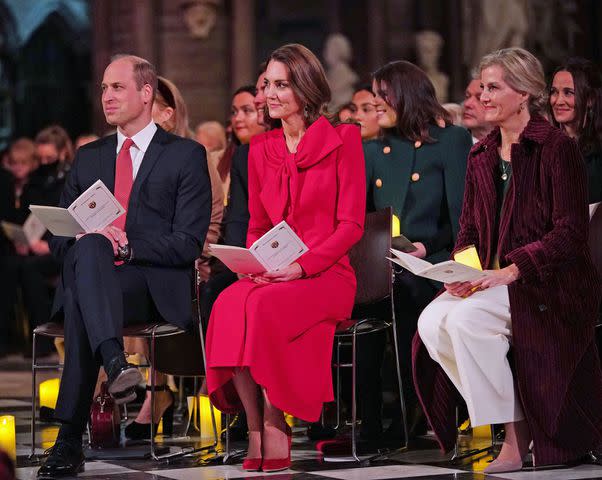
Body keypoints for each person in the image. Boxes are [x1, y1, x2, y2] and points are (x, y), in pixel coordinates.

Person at [415, 47, 602, 473]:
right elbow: (467, 232)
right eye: (481, 87)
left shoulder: (556, 149)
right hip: (492, 282)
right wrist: (459, 273)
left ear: (524, 93)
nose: (481, 96)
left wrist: (512, 270)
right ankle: (517, 419)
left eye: (492, 87)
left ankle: (515, 440)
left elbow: (570, 234)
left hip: (546, 284)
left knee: (465, 322)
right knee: (431, 322)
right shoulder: (480, 157)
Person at [37, 54, 211, 478]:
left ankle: (68, 439)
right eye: (103, 88)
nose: (106, 97)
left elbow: (187, 244)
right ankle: (115, 361)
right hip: (93, 278)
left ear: (146, 93)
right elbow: (58, 240)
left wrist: (130, 244)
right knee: (88, 253)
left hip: (148, 286)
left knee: (83, 293)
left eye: (117, 87)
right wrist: (83, 240)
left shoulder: (185, 155)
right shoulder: (89, 156)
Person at [205, 43, 365, 472]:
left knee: (260, 307)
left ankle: (278, 424)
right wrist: (257, 263)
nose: (268, 95)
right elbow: (257, 224)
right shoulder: (260, 148)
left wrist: (300, 267)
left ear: (306, 89)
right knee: (227, 303)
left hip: (327, 274)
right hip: (274, 273)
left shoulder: (344, 139)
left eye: (280, 85)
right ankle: (254, 428)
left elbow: (350, 226)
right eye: (267, 85)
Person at [362, 60, 472, 444]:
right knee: (360, 301)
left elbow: (462, 215)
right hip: (385, 262)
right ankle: (367, 415)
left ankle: (413, 408)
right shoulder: (374, 149)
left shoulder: (451, 140)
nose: (376, 102)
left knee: (408, 294)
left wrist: (438, 251)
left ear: (406, 95)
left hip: (436, 261)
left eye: (382, 94)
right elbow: (362, 216)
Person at [122, 75, 223, 441]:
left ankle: (156, 389)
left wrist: (194, 252)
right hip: (143, 257)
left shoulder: (192, 154)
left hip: (192, 259)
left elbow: (210, 220)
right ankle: (115, 384)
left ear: (167, 114)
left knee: (157, 277)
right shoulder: (131, 157)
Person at [549, 57, 602, 203]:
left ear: (590, 99)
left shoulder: (598, 154)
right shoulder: (542, 149)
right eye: (554, 92)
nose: (558, 101)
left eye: (568, 93)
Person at [462, 77, 494, 143]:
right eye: (467, 96)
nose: (467, 104)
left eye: (479, 98)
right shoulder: (449, 147)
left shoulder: (517, 147)